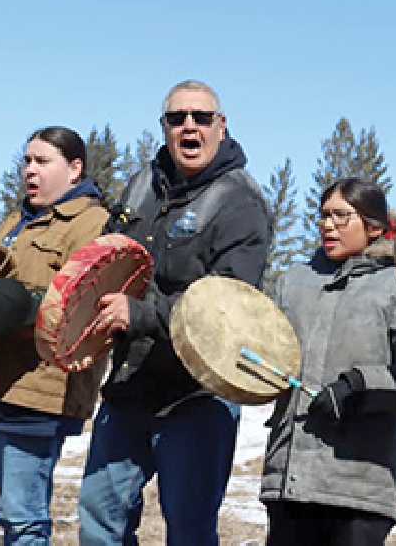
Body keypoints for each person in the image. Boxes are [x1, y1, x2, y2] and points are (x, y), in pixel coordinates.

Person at [77, 80, 273, 546]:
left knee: (188, 532)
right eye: (177, 118)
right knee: (99, 522)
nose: (189, 126)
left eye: (201, 118)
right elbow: (109, 258)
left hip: (197, 396)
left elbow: (228, 310)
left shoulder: (241, 202)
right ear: (163, 127)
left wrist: (140, 315)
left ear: (221, 128)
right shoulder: (142, 184)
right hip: (129, 387)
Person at [0, 125, 110, 546]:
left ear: (74, 169)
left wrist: (22, 305)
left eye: (42, 161)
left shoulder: (93, 224)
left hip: (35, 394)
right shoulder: (16, 221)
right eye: (27, 161)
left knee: (23, 520)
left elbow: (84, 306)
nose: (30, 171)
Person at [260, 176, 396, 546]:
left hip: (358, 488)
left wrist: (357, 386)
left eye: (342, 216)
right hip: (288, 481)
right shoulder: (293, 283)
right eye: (324, 215)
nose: (329, 225)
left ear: (374, 227)